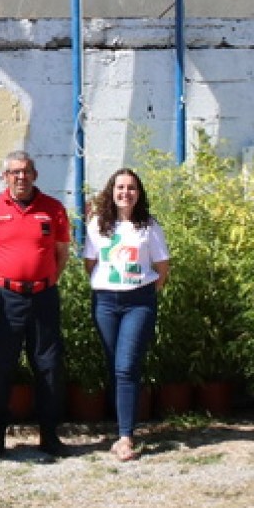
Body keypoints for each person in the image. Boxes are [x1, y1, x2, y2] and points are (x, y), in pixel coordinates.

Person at [0, 150, 72, 460]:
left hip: (43, 297)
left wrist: (47, 280)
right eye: (14, 172)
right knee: (0, 366)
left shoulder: (53, 209)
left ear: (35, 175)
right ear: (4, 177)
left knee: (49, 366)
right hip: (5, 299)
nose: (20, 177)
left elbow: (62, 253)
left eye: (26, 171)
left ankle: (49, 434)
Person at [83, 168, 170, 462]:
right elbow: (90, 263)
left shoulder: (149, 226)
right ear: (112, 191)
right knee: (115, 365)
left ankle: (125, 437)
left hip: (139, 303)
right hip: (105, 302)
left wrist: (142, 291)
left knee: (126, 366)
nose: (125, 193)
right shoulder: (98, 224)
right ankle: (121, 426)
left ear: (138, 193)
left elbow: (162, 268)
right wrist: (109, 286)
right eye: (120, 187)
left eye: (131, 188)